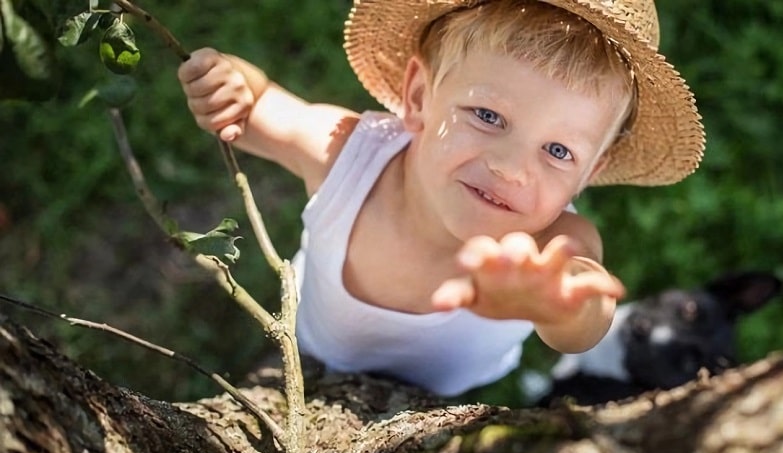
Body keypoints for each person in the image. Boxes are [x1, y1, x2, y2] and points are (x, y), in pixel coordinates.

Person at [177, 0, 705, 397]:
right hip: (304, 351)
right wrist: (234, 84)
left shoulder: (553, 241)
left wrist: (557, 302)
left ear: (593, 170)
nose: (511, 166)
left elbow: (585, 308)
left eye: (558, 150)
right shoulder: (348, 155)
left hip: (435, 405)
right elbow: (262, 108)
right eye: (489, 116)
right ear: (418, 98)